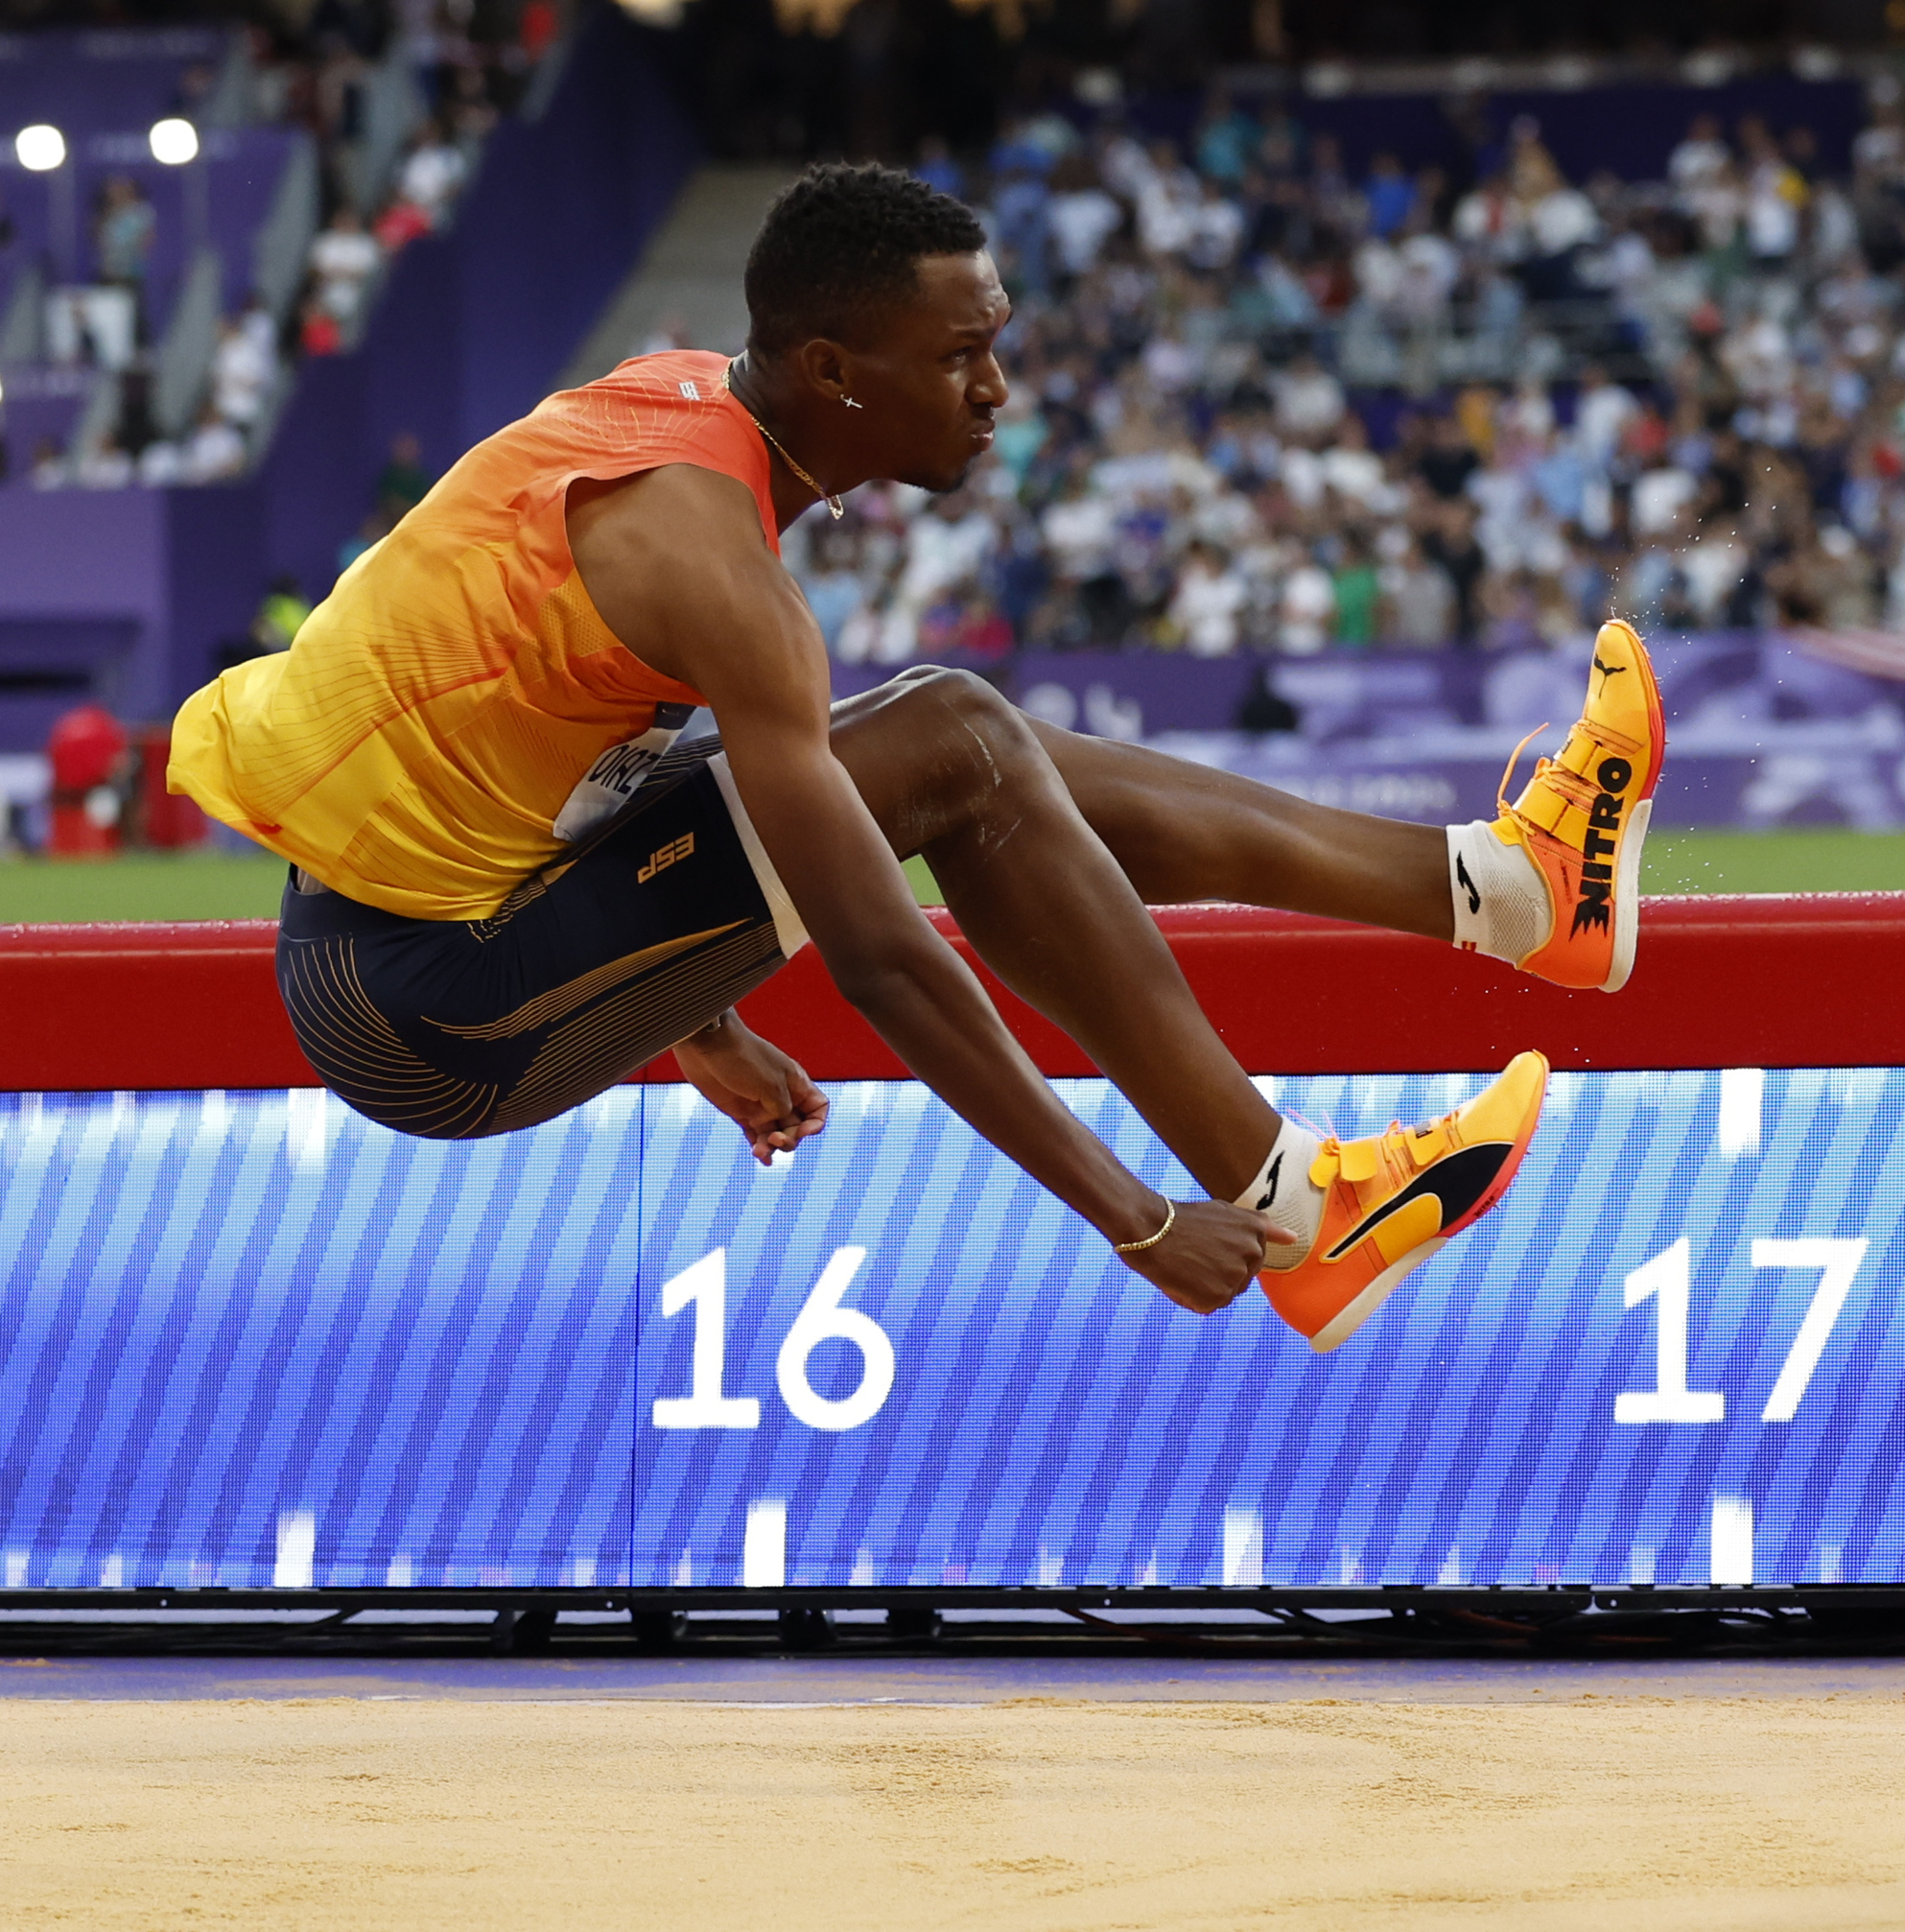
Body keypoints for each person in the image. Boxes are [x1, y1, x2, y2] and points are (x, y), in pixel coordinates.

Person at [169, 166, 1667, 1355]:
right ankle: (1317, 1181)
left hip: (434, 909)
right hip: (425, 1009)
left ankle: (1506, 893)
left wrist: (692, 1020)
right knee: (953, 741)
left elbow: (553, 736)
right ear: (832, 369)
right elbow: (885, 960)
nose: (997, 388)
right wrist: (1136, 1219)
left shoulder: (686, 415)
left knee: (962, 736)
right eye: (962, 356)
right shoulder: (712, 560)